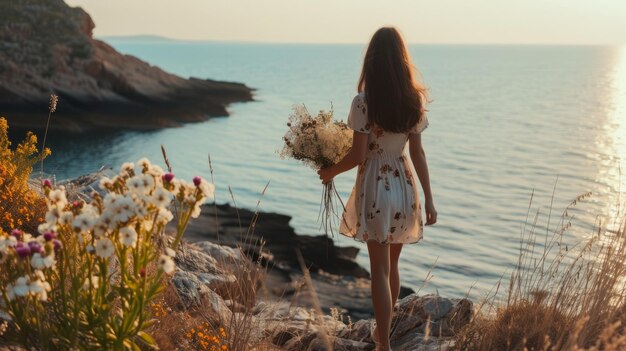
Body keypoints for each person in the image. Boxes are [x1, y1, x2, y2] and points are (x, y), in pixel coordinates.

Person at [317, 26, 437, 351]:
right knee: (392, 268)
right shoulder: (413, 100)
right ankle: (381, 334)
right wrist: (429, 200)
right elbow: (418, 153)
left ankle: (383, 344)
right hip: (404, 186)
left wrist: (329, 171)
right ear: (402, 61)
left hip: (375, 187)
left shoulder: (363, 102)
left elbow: (358, 156)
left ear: (372, 60)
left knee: (379, 272)